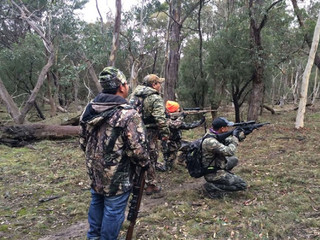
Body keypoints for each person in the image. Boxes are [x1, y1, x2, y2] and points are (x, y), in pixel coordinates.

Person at [79, 67, 149, 240]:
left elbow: (83, 141)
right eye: (125, 84)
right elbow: (137, 149)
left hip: (95, 171)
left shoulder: (90, 109)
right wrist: (145, 164)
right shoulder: (128, 113)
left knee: (97, 201)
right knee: (113, 210)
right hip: (118, 176)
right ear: (121, 87)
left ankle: (93, 237)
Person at [129, 74, 170, 195]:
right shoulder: (154, 98)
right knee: (150, 157)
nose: (160, 86)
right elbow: (160, 119)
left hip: (133, 130)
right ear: (154, 85)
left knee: (136, 155)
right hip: (149, 131)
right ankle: (151, 185)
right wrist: (165, 133)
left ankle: (136, 181)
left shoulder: (134, 95)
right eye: (159, 84)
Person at [201, 117, 247, 198]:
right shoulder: (210, 141)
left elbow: (228, 140)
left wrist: (243, 134)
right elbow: (229, 151)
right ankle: (210, 187)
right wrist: (235, 138)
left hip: (217, 164)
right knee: (242, 185)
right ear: (222, 129)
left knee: (234, 160)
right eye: (227, 127)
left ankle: (223, 176)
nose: (228, 128)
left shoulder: (213, 134)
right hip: (212, 172)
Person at [164, 100, 205, 170]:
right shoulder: (165, 119)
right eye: (177, 109)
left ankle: (180, 160)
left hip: (177, 141)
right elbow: (175, 125)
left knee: (190, 147)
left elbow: (187, 126)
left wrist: (199, 122)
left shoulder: (176, 119)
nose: (179, 110)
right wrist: (182, 117)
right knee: (168, 166)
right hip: (169, 143)